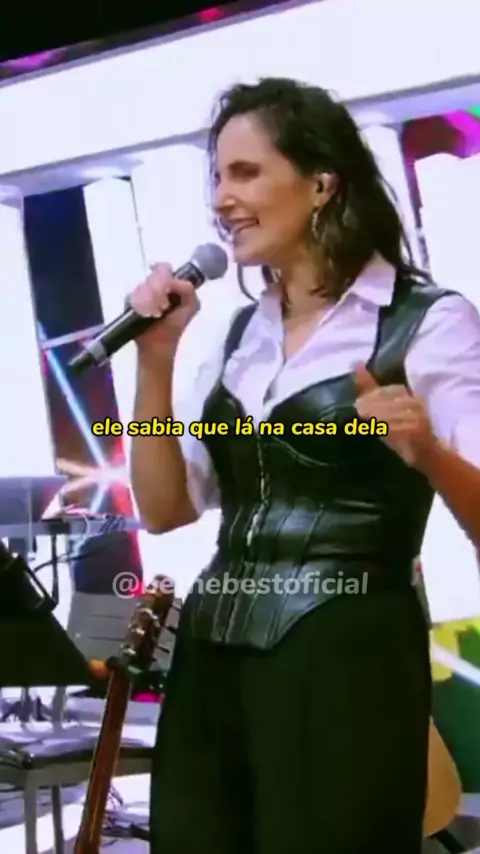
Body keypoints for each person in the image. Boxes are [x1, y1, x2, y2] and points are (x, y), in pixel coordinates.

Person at [128, 78, 480, 854]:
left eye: (246, 172)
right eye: (217, 176)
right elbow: (164, 509)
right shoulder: (236, 337)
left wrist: (427, 453)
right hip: (213, 650)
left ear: (322, 183)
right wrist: (154, 362)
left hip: (346, 655)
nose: (222, 198)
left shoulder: (428, 322)